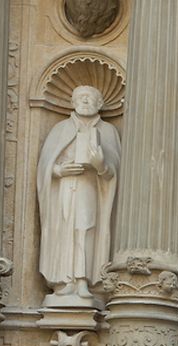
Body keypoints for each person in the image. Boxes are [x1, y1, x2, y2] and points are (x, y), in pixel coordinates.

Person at [36, 84, 120, 300]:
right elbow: (46, 165)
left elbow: (114, 170)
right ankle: (65, 280)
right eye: (80, 97)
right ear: (72, 103)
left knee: (85, 229)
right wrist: (58, 170)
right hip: (64, 188)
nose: (85, 101)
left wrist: (100, 164)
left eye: (90, 98)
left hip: (89, 187)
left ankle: (83, 280)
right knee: (63, 230)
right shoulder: (60, 129)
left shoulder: (107, 131)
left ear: (100, 104)